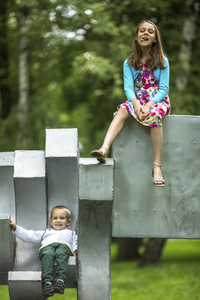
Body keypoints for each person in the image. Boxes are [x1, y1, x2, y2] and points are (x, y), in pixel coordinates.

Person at [91, 20, 170, 187]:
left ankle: (156, 166)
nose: (146, 34)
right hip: (137, 99)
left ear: (155, 39)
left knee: (156, 116)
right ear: (136, 36)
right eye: (142, 31)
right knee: (122, 110)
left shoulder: (162, 61)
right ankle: (104, 149)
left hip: (157, 100)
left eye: (150, 31)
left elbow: (163, 89)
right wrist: (135, 103)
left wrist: (149, 105)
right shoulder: (129, 62)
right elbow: (128, 87)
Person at [10, 205, 77, 298]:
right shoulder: (46, 232)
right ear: (51, 221)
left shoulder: (71, 233)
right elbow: (30, 235)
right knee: (47, 256)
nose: (58, 220)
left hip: (64, 247)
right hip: (48, 247)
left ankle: (60, 281)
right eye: (55, 218)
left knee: (62, 256)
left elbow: (75, 242)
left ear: (68, 221)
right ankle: (48, 283)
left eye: (62, 218)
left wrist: (75, 251)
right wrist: (15, 228)